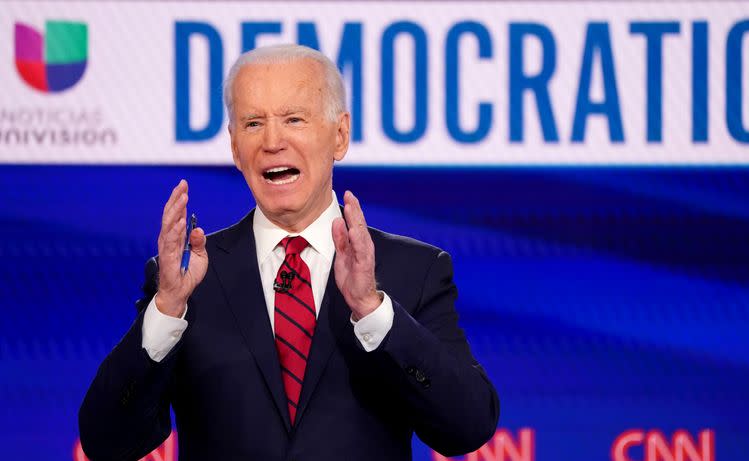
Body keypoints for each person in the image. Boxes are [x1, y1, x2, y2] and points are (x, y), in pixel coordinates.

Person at [79, 44, 499, 461]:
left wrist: (374, 312)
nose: (272, 141)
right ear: (234, 147)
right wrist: (166, 311)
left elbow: (467, 427)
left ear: (339, 135)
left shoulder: (414, 270)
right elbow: (106, 443)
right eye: (253, 123)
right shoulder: (188, 282)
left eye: (293, 119)